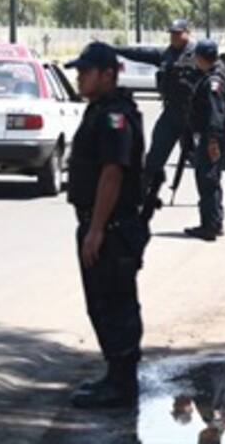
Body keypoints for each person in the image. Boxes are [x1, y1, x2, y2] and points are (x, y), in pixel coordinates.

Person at [65, 42, 148, 409]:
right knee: (101, 303)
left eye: (86, 71)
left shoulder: (116, 116)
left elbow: (112, 174)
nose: (79, 77)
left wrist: (97, 229)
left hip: (113, 228)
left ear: (108, 74)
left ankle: (122, 383)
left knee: (114, 303)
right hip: (101, 224)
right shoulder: (100, 111)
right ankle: (115, 376)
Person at [111, 20, 200, 210]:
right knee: (154, 158)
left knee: (201, 161)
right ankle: (140, 197)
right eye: (172, 33)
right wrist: (115, 49)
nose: (174, 37)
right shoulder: (166, 54)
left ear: (187, 33)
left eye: (178, 33)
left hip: (193, 116)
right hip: (172, 113)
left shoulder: (198, 54)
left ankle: (209, 205)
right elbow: (140, 54)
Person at [185, 39, 225, 241]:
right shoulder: (219, 72)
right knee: (211, 179)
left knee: (207, 180)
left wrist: (213, 142)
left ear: (200, 57)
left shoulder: (212, 82)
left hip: (213, 137)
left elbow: (215, 114)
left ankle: (210, 226)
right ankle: (214, 222)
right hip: (215, 135)